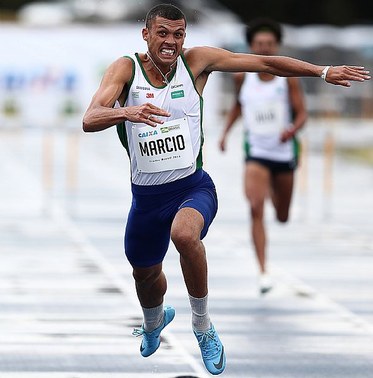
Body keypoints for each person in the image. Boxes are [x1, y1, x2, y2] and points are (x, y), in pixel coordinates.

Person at [82, 4, 369, 375]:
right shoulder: (125, 69)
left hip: (192, 188)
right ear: (146, 34)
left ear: (185, 36)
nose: (171, 42)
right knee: (145, 277)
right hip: (146, 200)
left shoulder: (197, 62)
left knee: (184, 235)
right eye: (163, 33)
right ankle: (154, 320)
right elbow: (90, 118)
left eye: (178, 34)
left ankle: (202, 326)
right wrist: (126, 112)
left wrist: (322, 70)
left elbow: (264, 64)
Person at [219, 18, 307, 295]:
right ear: (251, 47)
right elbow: (237, 106)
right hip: (256, 153)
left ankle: (273, 188)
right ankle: (263, 271)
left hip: (283, 152)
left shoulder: (287, 78)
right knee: (255, 207)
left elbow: (302, 114)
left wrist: (292, 130)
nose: (265, 49)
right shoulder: (242, 76)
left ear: (277, 46)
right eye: (259, 45)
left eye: (269, 44)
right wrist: (225, 133)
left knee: (281, 215)